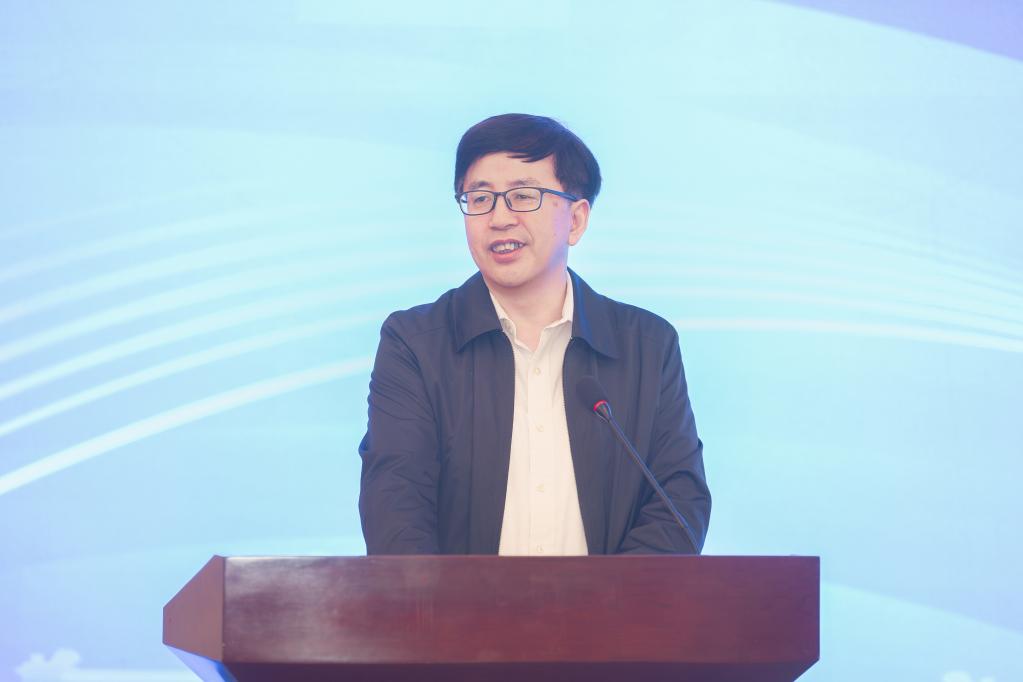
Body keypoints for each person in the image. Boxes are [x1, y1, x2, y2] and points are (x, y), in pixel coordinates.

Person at [358, 113, 710, 555]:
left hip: (616, 603)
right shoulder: (415, 344)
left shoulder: (647, 346)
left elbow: (678, 504)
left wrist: (610, 599)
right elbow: (395, 511)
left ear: (576, 220)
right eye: (480, 198)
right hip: (454, 604)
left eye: (523, 196)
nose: (499, 218)